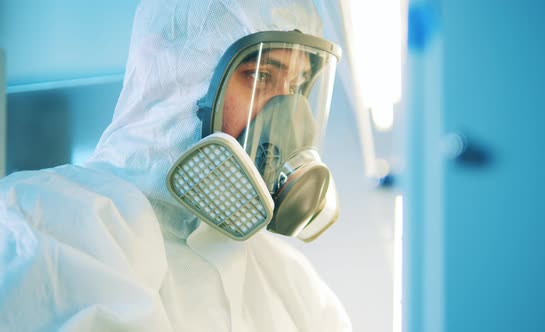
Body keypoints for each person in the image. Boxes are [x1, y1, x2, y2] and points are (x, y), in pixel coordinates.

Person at [0, 0, 351, 331]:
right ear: (170, 65)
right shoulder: (49, 223)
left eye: (296, 86)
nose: (288, 120)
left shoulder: (295, 286)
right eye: (260, 77)